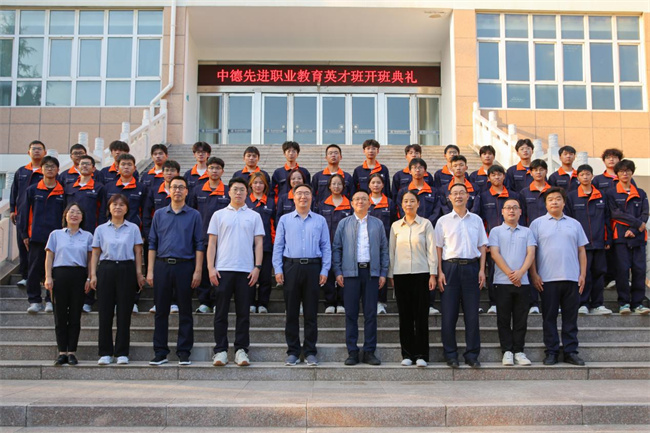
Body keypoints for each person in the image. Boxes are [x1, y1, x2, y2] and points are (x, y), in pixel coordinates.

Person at [147, 176, 204, 366]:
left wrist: (198, 270)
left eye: (181, 187)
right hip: (162, 266)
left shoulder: (194, 215)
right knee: (161, 311)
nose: (177, 190)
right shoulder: (159, 214)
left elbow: (199, 244)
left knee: (185, 310)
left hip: (185, 266)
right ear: (168, 190)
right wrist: (150, 270)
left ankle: (184, 351)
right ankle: (160, 352)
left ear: (187, 191)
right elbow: (152, 243)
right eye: (174, 187)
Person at [207, 178, 265, 367]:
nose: (238, 193)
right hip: (222, 270)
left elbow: (259, 243)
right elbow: (212, 243)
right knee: (220, 313)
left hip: (246, 271)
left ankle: (241, 350)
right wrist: (210, 268)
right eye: (235, 189)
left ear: (247, 193)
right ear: (229, 192)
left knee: (243, 314)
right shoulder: (219, 215)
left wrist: (257, 267)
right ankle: (220, 350)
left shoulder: (254, 216)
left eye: (242, 190)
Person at [529, 187, 588, 366]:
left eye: (558, 199)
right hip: (547, 280)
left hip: (571, 278)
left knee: (571, 318)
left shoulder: (574, 224)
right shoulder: (537, 224)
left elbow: (581, 251)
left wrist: (583, 274)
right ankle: (552, 352)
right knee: (549, 318)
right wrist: (534, 274)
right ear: (546, 204)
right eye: (550, 199)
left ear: (564, 202)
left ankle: (570, 352)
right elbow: (531, 252)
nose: (554, 202)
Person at [273, 184, 330, 366]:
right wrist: (278, 269)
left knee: (311, 313)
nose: (303, 197)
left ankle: (310, 351)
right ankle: (293, 352)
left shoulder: (320, 220)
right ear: (293, 197)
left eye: (306, 193)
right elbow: (278, 246)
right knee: (291, 313)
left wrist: (325, 270)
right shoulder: (285, 220)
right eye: (299, 193)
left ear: (312, 197)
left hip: (313, 267)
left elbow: (326, 246)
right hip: (291, 267)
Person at [332, 189, 389, 366]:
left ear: (369, 202)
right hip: (350, 273)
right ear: (351, 203)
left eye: (364, 199)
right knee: (351, 314)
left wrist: (383, 272)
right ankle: (352, 351)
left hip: (371, 273)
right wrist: (338, 271)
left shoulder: (377, 224)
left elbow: (384, 249)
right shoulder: (344, 223)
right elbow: (337, 248)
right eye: (357, 199)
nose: (360, 202)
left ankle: (369, 351)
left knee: (370, 314)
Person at [435, 183, 487, 368]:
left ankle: (472, 355)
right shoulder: (443, 221)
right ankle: (450, 354)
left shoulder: (476, 220)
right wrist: (439, 272)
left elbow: (482, 246)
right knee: (449, 315)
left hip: (472, 268)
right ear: (449, 197)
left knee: (472, 316)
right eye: (455, 193)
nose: (458, 196)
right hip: (450, 269)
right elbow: (438, 248)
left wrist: (482, 270)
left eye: (462, 193)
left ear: (468, 196)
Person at [90, 194, 146, 365]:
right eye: (114, 204)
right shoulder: (101, 229)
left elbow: (138, 252)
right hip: (106, 269)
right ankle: (105, 352)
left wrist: (139, 273)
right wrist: (92, 274)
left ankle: (122, 352)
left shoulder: (133, 228)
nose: (118, 207)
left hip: (126, 269)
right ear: (109, 207)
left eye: (122, 204)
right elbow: (95, 253)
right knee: (105, 312)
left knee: (124, 313)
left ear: (127, 208)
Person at [388, 191, 437, 367]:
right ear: (401, 205)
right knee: (405, 316)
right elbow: (391, 252)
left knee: (421, 316)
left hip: (421, 273)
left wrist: (433, 274)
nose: (409, 204)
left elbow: (431, 250)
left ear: (418, 204)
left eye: (412, 201)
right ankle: (407, 354)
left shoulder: (426, 224)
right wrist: (391, 274)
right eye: (406, 201)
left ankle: (422, 354)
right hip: (401, 275)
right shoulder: (395, 226)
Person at [44, 203, 93, 366]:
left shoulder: (87, 236)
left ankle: (71, 351)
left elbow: (90, 259)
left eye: (78, 212)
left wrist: (89, 278)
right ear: (65, 215)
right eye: (71, 212)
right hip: (60, 275)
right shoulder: (56, 235)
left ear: (82, 217)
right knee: (60, 315)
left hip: (79, 275)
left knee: (75, 315)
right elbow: (49, 257)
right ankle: (61, 352)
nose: (74, 215)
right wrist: (48, 277)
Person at [488, 198, 536, 366]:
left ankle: (519, 351)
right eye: (508, 208)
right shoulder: (496, 231)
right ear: (502, 212)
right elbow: (494, 253)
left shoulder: (527, 232)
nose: (511, 211)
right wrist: (510, 274)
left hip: (523, 282)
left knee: (520, 319)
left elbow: (531, 253)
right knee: (503, 318)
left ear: (520, 212)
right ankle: (507, 351)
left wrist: (521, 273)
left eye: (515, 208)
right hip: (502, 282)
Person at [472, 165, 520, 315]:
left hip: (512, 237)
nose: (497, 177)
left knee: (514, 267)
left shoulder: (513, 196)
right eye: (493, 175)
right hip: (491, 241)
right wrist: (484, 240)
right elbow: (479, 219)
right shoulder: (483, 196)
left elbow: (520, 216)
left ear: (504, 176)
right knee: (493, 271)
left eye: (499, 174)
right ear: (488, 178)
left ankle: (515, 300)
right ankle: (493, 303)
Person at [566, 164, 613, 315]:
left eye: (588, 174)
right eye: (582, 174)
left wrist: (608, 239)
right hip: (581, 245)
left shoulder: (601, 195)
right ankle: (583, 303)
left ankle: (598, 304)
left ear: (592, 176)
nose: (585, 177)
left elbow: (607, 219)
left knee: (599, 273)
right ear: (577, 177)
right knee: (583, 273)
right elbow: (568, 221)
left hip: (599, 243)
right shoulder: (571, 196)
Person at [22, 155, 65, 314]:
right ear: (41, 169)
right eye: (47, 166)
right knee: (34, 269)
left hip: (57, 238)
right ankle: (34, 300)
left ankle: (50, 300)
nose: (50, 169)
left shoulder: (63, 191)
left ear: (58, 170)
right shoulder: (32, 190)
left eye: (53, 166)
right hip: (36, 236)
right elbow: (24, 214)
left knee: (54, 270)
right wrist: (25, 234)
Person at [606, 160, 649, 315]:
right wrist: (637, 224)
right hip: (620, 238)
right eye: (621, 171)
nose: (625, 174)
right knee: (622, 271)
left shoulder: (641, 193)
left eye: (628, 171)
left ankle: (638, 303)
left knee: (639, 270)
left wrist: (634, 229)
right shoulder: (611, 193)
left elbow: (645, 213)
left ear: (632, 172)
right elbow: (615, 214)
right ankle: (623, 303)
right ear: (617, 174)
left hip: (638, 238)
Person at [188, 157, 230, 314]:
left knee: (221, 271)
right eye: (211, 168)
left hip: (223, 239)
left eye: (218, 168)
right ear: (207, 170)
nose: (214, 171)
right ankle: (205, 302)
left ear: (222, 171)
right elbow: (191, 212)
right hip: (202, 237)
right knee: (204, 270)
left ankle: (219, 301)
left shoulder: (227, 191)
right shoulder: (197, 190)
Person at [64, 154, 104, 314]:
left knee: (90, 266)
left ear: (93, 168)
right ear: (77, 167)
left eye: (88, 164)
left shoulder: (99, 188)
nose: (85, 166)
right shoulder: (69, 187)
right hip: (71, 232)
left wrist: (99, 232)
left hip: (91, 232)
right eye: (82, 164)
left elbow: (102, 211)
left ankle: (88, 300)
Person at [143, 160, 181, 315]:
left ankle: (174, 302)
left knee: (176, 271)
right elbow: (147, 213)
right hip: (158, 238)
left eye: (172, 170)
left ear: (178, 173)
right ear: (162, 173)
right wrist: (148, 234)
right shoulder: (154, 190)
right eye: (166, 170)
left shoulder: (183, 191)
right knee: (158, 272)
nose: (169, 173)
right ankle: (157, 302)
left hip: (178, 238)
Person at [10, 140, 45, 287]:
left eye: (39, 149)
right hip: (22, 215)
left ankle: (41, 276)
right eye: (34, 148)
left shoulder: (47, 171)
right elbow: (14, 191)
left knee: (39, 247)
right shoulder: (22, 171)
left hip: (40, 215)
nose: (36, 151)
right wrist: (12, 209)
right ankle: (25, 276)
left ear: (45, 152)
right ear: (28, 152)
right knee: (22, 245)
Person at [316, 174, 351, 314]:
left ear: (343, 186)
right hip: (326, 245)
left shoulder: (350, 205)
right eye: (334, 184)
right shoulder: (322, 204)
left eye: (339, 184)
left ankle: (342, 302)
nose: (336, 186)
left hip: (345, 246)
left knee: (343, 272)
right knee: (328, 272)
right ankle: (329, 302)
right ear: (329, 186)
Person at [368, 173, 398, 314]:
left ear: (383, 185)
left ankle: (381, 302)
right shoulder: (364, 200)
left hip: (383, 243)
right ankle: (368, 300)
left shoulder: (389, 202)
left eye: (378, 182)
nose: (376, 185)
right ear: (369, 185)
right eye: (373, 182)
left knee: (382, 272)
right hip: (366, 243)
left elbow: (393, 222)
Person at [246, 172, 275, 314]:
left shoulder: (271, 202)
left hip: (266, 245)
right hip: (247, 245)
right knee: (249, 275)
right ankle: (250, 302)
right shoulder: (245, 201)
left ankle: (263, 303)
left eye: (261, 183)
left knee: (265, 277)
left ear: (265, 185)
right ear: (251, 185)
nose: (258, 185)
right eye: (255, 183)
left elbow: (274, 223)